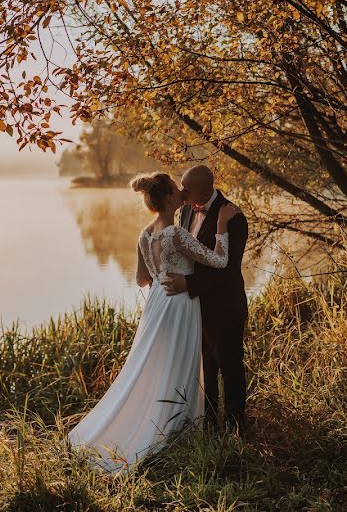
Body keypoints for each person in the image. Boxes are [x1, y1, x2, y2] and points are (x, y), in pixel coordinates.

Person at [66, 171, 241, 475]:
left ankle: (161, 420)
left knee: (157, 363)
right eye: (177, 190)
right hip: (179, 305)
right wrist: (221, 225)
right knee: (181, 363)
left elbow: (140, 278)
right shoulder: (175, 233)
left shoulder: (144, 234)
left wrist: (163, 277)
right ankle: (175, 428)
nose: (183, 194)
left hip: (158, 301)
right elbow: (221, 260)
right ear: (170, 198)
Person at [162, 165, 250, 438]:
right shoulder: (185, 211)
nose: (182, 192)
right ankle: (210, 426)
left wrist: (188, 284)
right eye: (181, 187)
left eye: (187, 189)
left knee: (230, 366)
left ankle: (237, 428)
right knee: (206, 369)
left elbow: (228, 268)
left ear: (206, 190)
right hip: (195, 306)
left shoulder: (233, 217)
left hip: (225, 306)